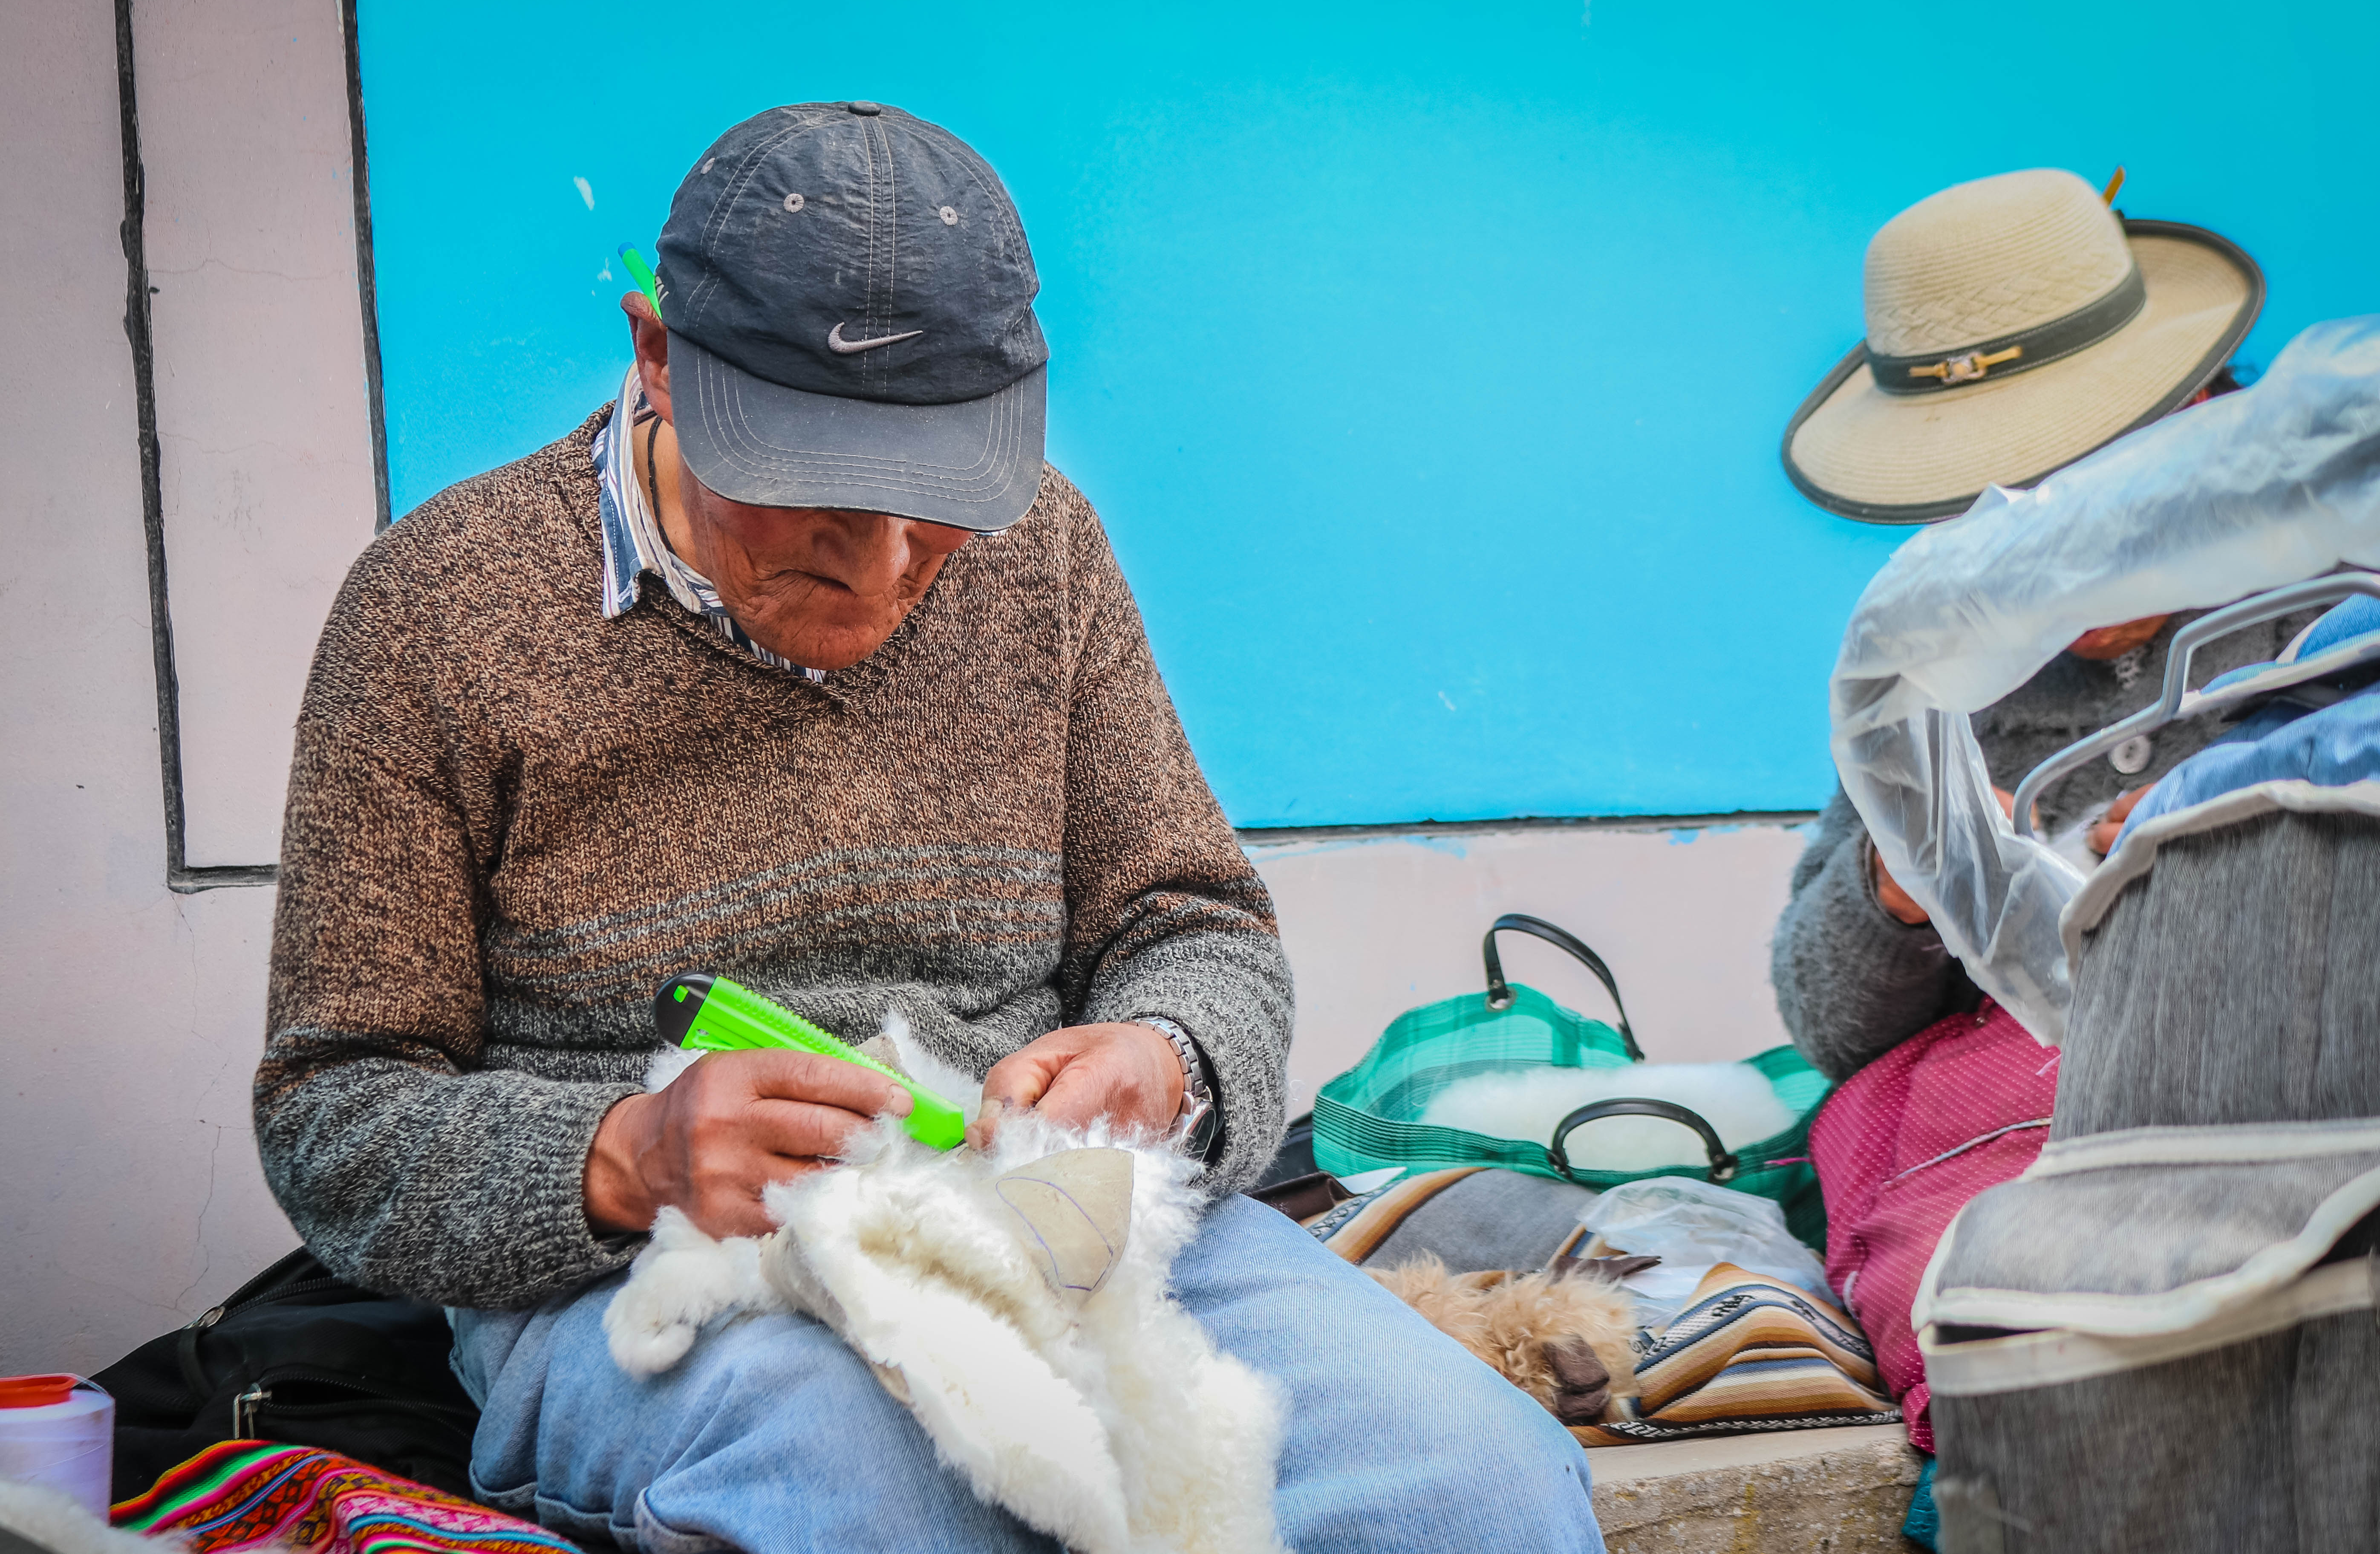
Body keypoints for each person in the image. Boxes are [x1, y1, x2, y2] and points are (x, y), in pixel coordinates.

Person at [252, 103, 1604, 1552]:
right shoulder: (433, 611)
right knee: (872, 1496)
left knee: (1475, 1484)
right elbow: (334, 1112)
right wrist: (622, 1150)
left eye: (939, 506)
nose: (887, 571)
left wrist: (1167, 1056)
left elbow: (1194, 926)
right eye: (821, 495)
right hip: (652, 1277)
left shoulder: (1049, 553)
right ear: (658, 358)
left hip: (1052, 1223)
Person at [1771, 165, 2298, 1083]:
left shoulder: (2337, 607)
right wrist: (1901, 888)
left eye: (2097, 493)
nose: (2063, 568)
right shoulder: (1933, 683)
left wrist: (2273, 840)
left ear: (2200, 426)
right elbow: (1835, 1037)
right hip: (2022, 1132)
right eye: (1999, 520)